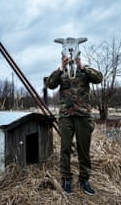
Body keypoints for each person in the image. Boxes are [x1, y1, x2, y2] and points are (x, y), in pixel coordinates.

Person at [46, 55, 103, 195]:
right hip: (66, 116)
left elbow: (99, 78)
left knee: (83, 149)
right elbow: (50, 84)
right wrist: (61, 67)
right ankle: (66, 179)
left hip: (83, 116)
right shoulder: (61, 72)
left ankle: (84, 180)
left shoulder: (84, 70)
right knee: (65, 149)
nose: (70, 57)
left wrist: (81, 66)